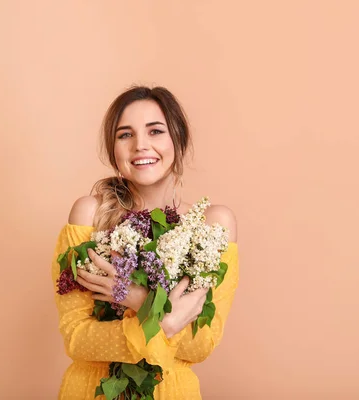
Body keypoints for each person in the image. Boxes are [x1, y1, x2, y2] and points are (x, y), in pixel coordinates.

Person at [51, 86, 239, 399]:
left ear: (178, 139)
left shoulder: (212, 226)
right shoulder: (90, 214)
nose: (141, 145)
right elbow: (76, 338)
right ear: (113, 149)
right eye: (125, 135)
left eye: (155, 131)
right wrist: (166, 322)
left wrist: (139, 300)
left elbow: (201, 345)